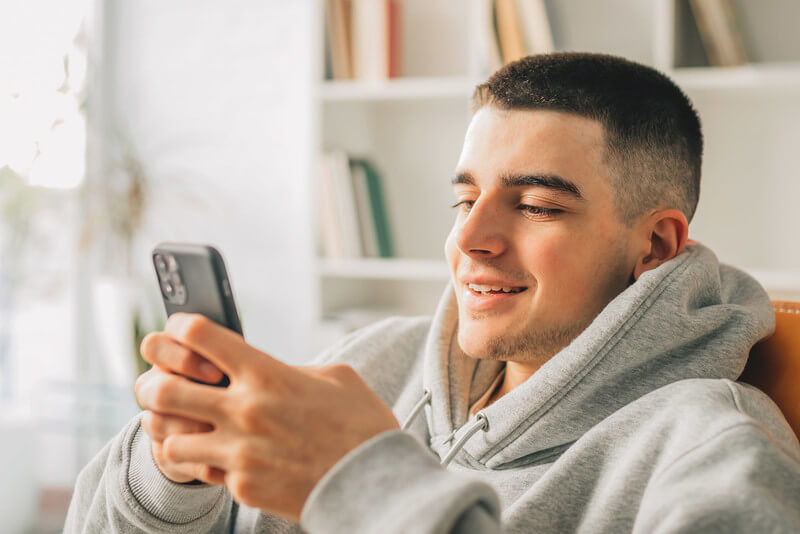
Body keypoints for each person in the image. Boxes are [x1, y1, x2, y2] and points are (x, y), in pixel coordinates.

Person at [64, 52, 800, 533]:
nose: (470, 238)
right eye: (465, 199)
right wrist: (172, 477)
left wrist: (366, 488)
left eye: (538, 205)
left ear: (655, 246)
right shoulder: (374, 361)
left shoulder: (710, 447)